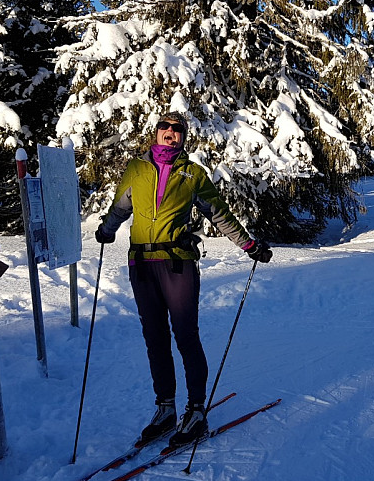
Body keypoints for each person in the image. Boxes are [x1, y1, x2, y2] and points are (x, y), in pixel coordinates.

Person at [95, 112, 272, 448]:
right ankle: (165, 410)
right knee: (155, 338)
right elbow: (120, 207)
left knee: (186, 336)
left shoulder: (193, 174)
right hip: (143, 265)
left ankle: (195, 410)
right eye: (165, 127)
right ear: (156, 132)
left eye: (178, 130)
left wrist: (248, 244)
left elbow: (218, 213)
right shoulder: (136, 169)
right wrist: (106, 230)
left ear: (184, 137)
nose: (171, 133)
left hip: (177, 264)